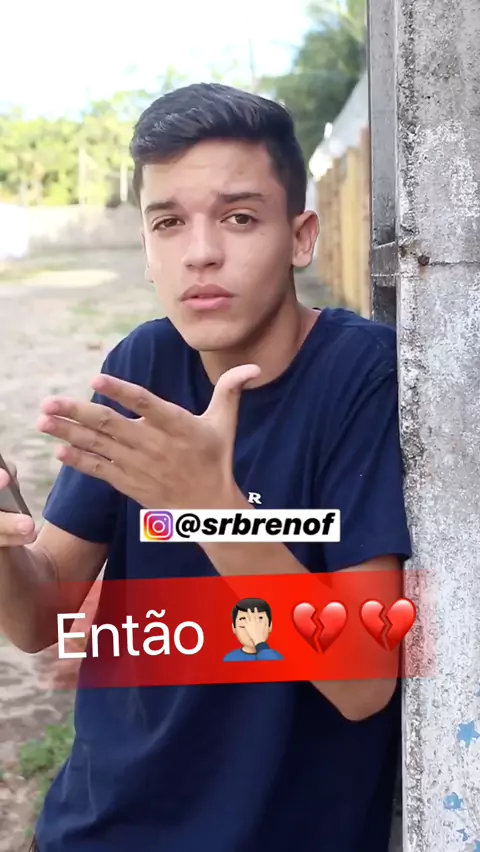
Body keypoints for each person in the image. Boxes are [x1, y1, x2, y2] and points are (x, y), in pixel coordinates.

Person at [0, 83, 412, 852]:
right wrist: (6, 533)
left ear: (300, 237)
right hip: (98, 828)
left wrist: (210, 506)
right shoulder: (144, 364)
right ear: (147, 249)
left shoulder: (361, 377)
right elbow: (38, 618)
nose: (200, 252)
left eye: (239, 217)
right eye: (168, 222)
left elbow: (363, 680)